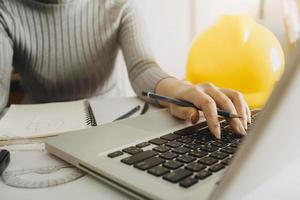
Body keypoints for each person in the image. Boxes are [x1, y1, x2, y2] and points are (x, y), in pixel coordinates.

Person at [0, 0, 250, 139]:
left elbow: (143, 68)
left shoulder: (118, 5)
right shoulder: (6, 9)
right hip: (33, 135)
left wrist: (182, 89)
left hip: (112, 126)